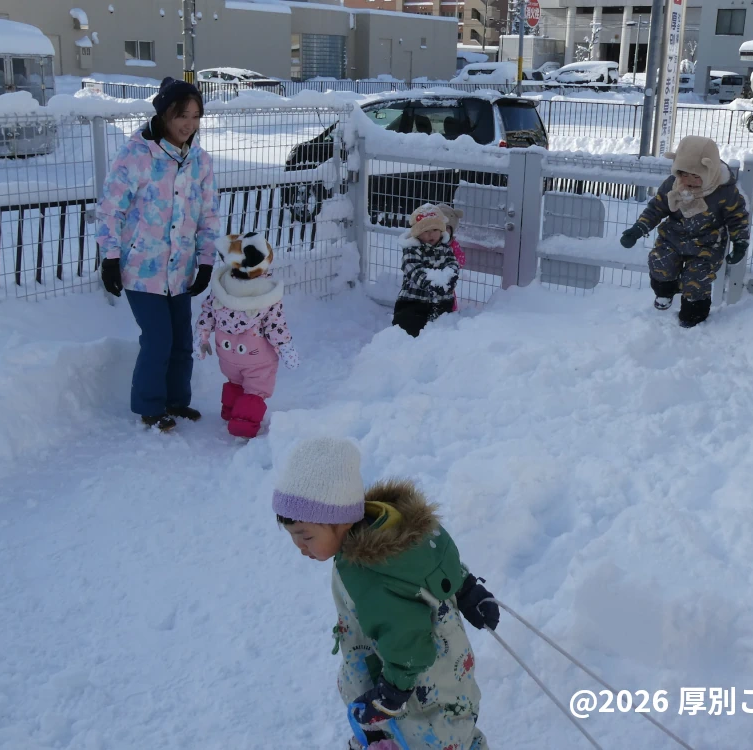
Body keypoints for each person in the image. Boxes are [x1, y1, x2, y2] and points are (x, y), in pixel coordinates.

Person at [272, 437, 497, 750]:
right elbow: (434, 558)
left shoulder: (369, 573)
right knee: (443, 726)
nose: (300, 548)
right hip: (424, 662)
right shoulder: (392, 526)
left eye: (305, 536)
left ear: (339, 520)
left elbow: (406, 641)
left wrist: (393, 692)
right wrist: (467, 587)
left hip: (412, 679)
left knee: (430, 733)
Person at [96, 76, 220, 431]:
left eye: (196, 116)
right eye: (183, 115)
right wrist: (110, 258)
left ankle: (177, 401)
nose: (189, 124)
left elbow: (209, 215)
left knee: (182, 340)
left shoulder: (200, 161)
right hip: (140, 270)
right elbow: (109, 210)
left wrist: (207, 261)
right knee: (158, 339)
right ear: (165, 114)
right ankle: (149, 406)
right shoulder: (136, 155)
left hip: (180, 270)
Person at [619, 135, 750, 328]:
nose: (688, 181)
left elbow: (738, 218)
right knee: (659, 262)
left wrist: (740, 243)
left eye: (696, 176)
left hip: (708, 244)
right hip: (673, 237)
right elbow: (657, 208)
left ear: (710, 171)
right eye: (683, 174)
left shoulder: (724, 192)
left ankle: (693, 316)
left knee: (696, 279)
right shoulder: (673, 184)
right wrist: (638, 229)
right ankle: (665, 293)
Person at [195, 232, 299, 439]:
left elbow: (207, 312)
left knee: (235, 381)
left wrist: (202, 336)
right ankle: (243, 424)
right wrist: (287, 349)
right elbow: (275, 326)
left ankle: (231, 411)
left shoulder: (222, 286)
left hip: (227, 355)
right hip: (256, 358)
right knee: (255, 389)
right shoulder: (266, 294)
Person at [392, 204, 460, 337]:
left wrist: (450, 278)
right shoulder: (412, 250)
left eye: (435, 229)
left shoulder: (445, 249)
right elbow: (414, 270)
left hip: (442, 301)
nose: (431, 234)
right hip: (414, 302)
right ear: (417, 233)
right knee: (408, 329)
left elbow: (453, 264)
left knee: (440, 332)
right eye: (426, 230)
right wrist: (431, 284)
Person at [436, 203, 466, 312]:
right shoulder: (431, 243)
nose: (444, 231)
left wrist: (453, 265)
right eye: (440, 228)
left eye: (447, 228)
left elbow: (461, 260)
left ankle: (450, 314)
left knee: (448, 298)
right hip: (432, 279)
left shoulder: (453, 244)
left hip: (447, 280)